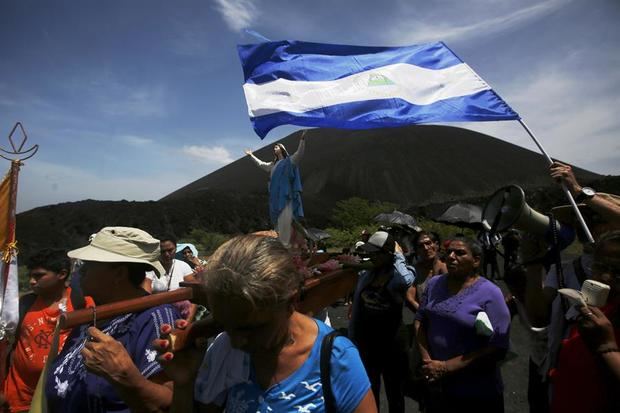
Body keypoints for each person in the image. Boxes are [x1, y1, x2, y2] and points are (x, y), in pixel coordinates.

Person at [156, 234, 377, 412]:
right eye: (225, 325)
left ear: (290, 302)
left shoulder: (334, 357)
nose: (237, 341)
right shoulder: (224, 351)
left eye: (252, 328)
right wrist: (184, 385)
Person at [45, 226, 181, 413]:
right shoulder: (93, 315)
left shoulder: (155, 319)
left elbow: (169, 402)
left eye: (89, 264)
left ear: (119, 274)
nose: (81, 271)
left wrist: (126, 377)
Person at [415, 237, 511, 412]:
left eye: (459, 253)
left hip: (476, 392)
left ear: (476, 260)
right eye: (448, 252)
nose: (451, 256)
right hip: (437, 385)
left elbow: (498, 346)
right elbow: (420, 320)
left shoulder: (491, 293)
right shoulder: (435, 284)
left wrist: (446, 367)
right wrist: (428, 363)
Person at [1, 249, 81, 413]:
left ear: (62, 274)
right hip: (19, 400)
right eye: (31, 275)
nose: (31, 281)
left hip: (62, 397)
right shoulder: (23, 305)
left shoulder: (81, 303)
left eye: (39, 276)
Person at [549, 230, 620, 412]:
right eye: (600, 267)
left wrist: (607, 347)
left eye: (618, 271)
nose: (606, 277)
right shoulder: (597, 307)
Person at [349, 231, 415, 413]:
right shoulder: (367, 274)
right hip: (368, 343)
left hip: (393, 344)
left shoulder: (398, 276)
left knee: (395, 392)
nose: (371, 256)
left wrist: (399, 255)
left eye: (375, 253)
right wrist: (353, 336)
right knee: (371, 390)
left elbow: (406, 280)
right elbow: (358, 309)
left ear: (387, 254)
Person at [245, 130, 306, 247]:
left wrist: (302, 140)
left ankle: (287, 243)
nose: (274, 148)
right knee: (277, 218)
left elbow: (299, 154)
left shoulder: (289, 161)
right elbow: (261, 164)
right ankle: (280, 241)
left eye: (277, 146)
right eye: (274, 147)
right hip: (274, 195)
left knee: (286, 216)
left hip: (285, 194)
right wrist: (251, 155)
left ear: (282, 149)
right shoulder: (273, 165)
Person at [405, 231, 447, 313]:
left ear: (436, 245)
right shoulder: (416, 270)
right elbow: (410, 297)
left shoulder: (445, 268)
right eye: (421, 246)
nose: (426, 248)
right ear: (417, 250)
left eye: (428, 243)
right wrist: (422, 313)